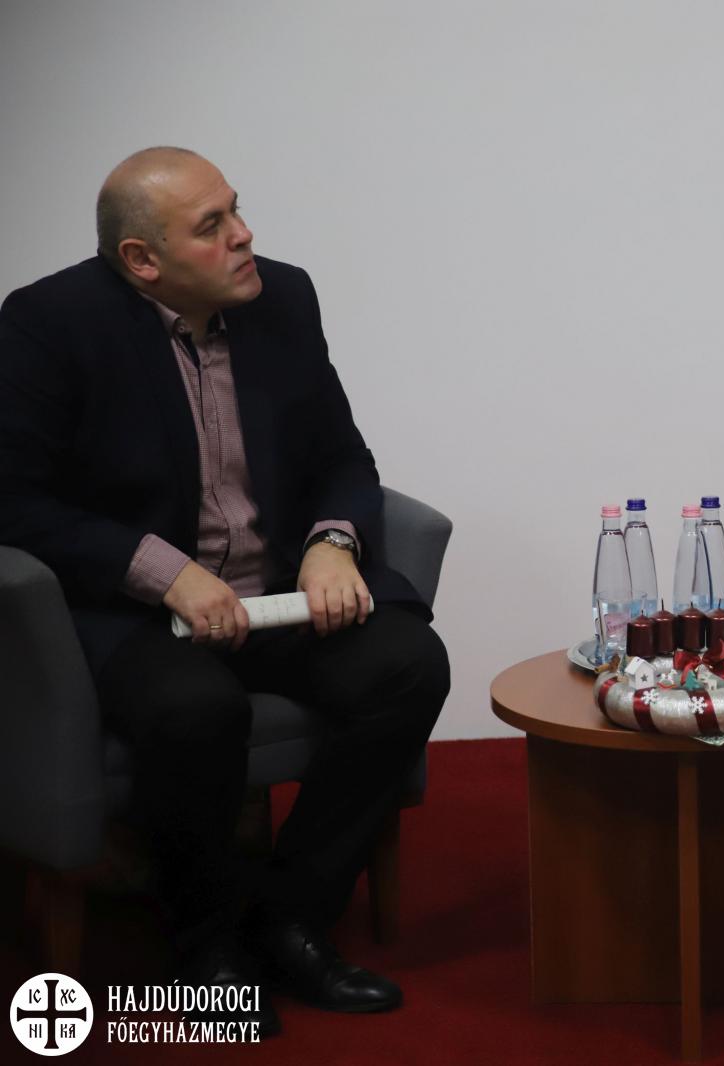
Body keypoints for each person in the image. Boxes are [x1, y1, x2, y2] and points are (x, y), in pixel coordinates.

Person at [0, 147, 450, 1037]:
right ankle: (204, 951)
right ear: (142, 260)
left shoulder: (282, 297)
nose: (244, 236)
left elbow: (342, 458)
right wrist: (165, 573)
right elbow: (17, 503)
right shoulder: (49, 324)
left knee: (408, 664)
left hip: (276, 592)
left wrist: (332, 544)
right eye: (212, 226)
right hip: (135, 614)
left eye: (236, 210)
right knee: (196, 712)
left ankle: (291, 919)